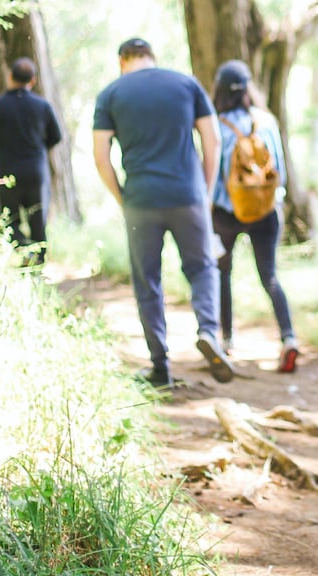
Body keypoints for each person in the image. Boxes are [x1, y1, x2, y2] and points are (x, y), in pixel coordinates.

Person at [93, 37, 234, 388]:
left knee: (148, 282)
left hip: (140, 200)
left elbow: (100, 155)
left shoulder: (111, 93)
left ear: (122, 60)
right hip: (187, 195)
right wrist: (204, 189)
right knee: (202, 268)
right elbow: (211, 139)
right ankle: (209, 331)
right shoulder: (186, 84)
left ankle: (160, 366)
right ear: (151, 57)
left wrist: (121, 196)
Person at [210, 59, 299, 373]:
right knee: (270, 275)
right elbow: (281, 173)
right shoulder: (266, 121)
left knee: (222, 272)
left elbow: (211, 173)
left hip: (226, 212)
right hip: (265, 210)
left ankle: (225, 338)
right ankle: (288, 338)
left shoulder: (215, 124)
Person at [0, 57, 62, 266]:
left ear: (10, 76)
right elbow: (56, 136)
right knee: (38, 221)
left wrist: (3, 147)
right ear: (32, 81)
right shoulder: (42, 105)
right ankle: (38, 265)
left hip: (8, 170)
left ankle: (24, 251)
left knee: (8, 220)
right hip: (36, 171)